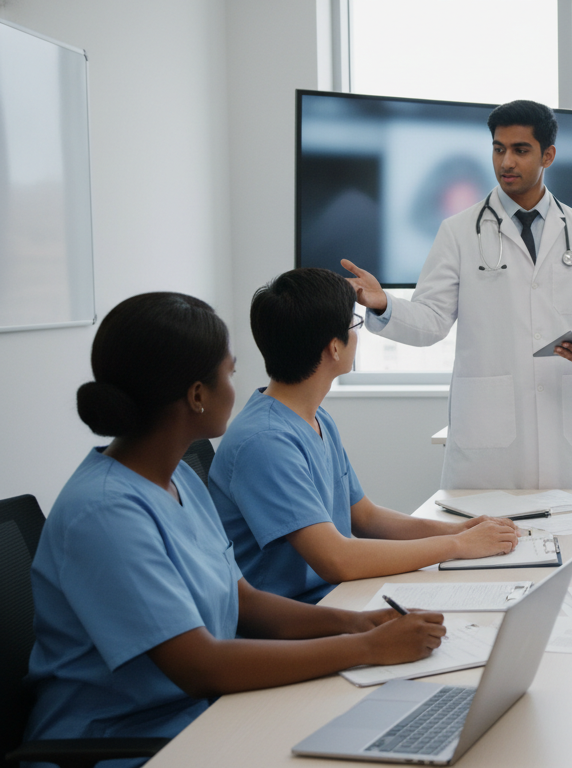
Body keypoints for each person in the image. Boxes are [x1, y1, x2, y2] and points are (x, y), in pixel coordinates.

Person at [24, 293, 444, 755]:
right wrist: (367, 648)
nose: (236, 386)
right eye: (229, 371)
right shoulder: (104, 512)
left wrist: (356, 624)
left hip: (206, 711)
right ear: (197, 395)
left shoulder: (178, 477)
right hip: (128, 744)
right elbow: (201, 665)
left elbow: (242, 600)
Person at [341, 100, 572, 489]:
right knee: (487, 541)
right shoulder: (458, 231)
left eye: (520, 150)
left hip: (562, 430)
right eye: (498, 148)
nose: (506, 161)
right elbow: (431, 321)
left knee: (570, 539)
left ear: (548, 155)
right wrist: (384, 304)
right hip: (489, 442)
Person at [209, 269, 519, 604]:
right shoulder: (264, 442)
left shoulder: (314, 418)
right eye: (354, 326)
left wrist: (460, 530)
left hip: (336, 596)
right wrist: (458, 547)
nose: (357, 335)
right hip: (295, 619)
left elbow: (366, 518)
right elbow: (336, 560)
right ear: (334, 349)